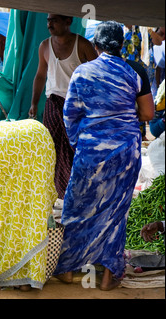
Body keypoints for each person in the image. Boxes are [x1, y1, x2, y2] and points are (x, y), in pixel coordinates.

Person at [53, 21, 155, 291]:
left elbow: (70, 114)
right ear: (121, 45)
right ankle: (109, 275)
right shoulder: (135, 70)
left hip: (90, 151)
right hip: (125, 152)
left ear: (96, 46)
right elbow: (147, 114)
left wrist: (81, 143)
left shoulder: (82, 72)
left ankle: (68, 269)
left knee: (78, 206)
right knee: (116, 211)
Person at [0, 119, 57, 291]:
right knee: (34, 204)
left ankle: (9, 275)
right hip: (38, 138)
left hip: (0, 141)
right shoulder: (36, 130)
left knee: (1, 209)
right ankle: (28, 277)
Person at [28, 14, 97, 200]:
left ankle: (79, 191)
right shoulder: (44, 46)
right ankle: (58, 194)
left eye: (54, 20)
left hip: (77, 106)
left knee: (75, 148)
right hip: (53, 103)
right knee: (53, 149)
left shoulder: (82, 45)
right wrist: (34, 103)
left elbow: (97, 75)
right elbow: (40, 76)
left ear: (68, 22)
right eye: (48, 20)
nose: (49, 24)